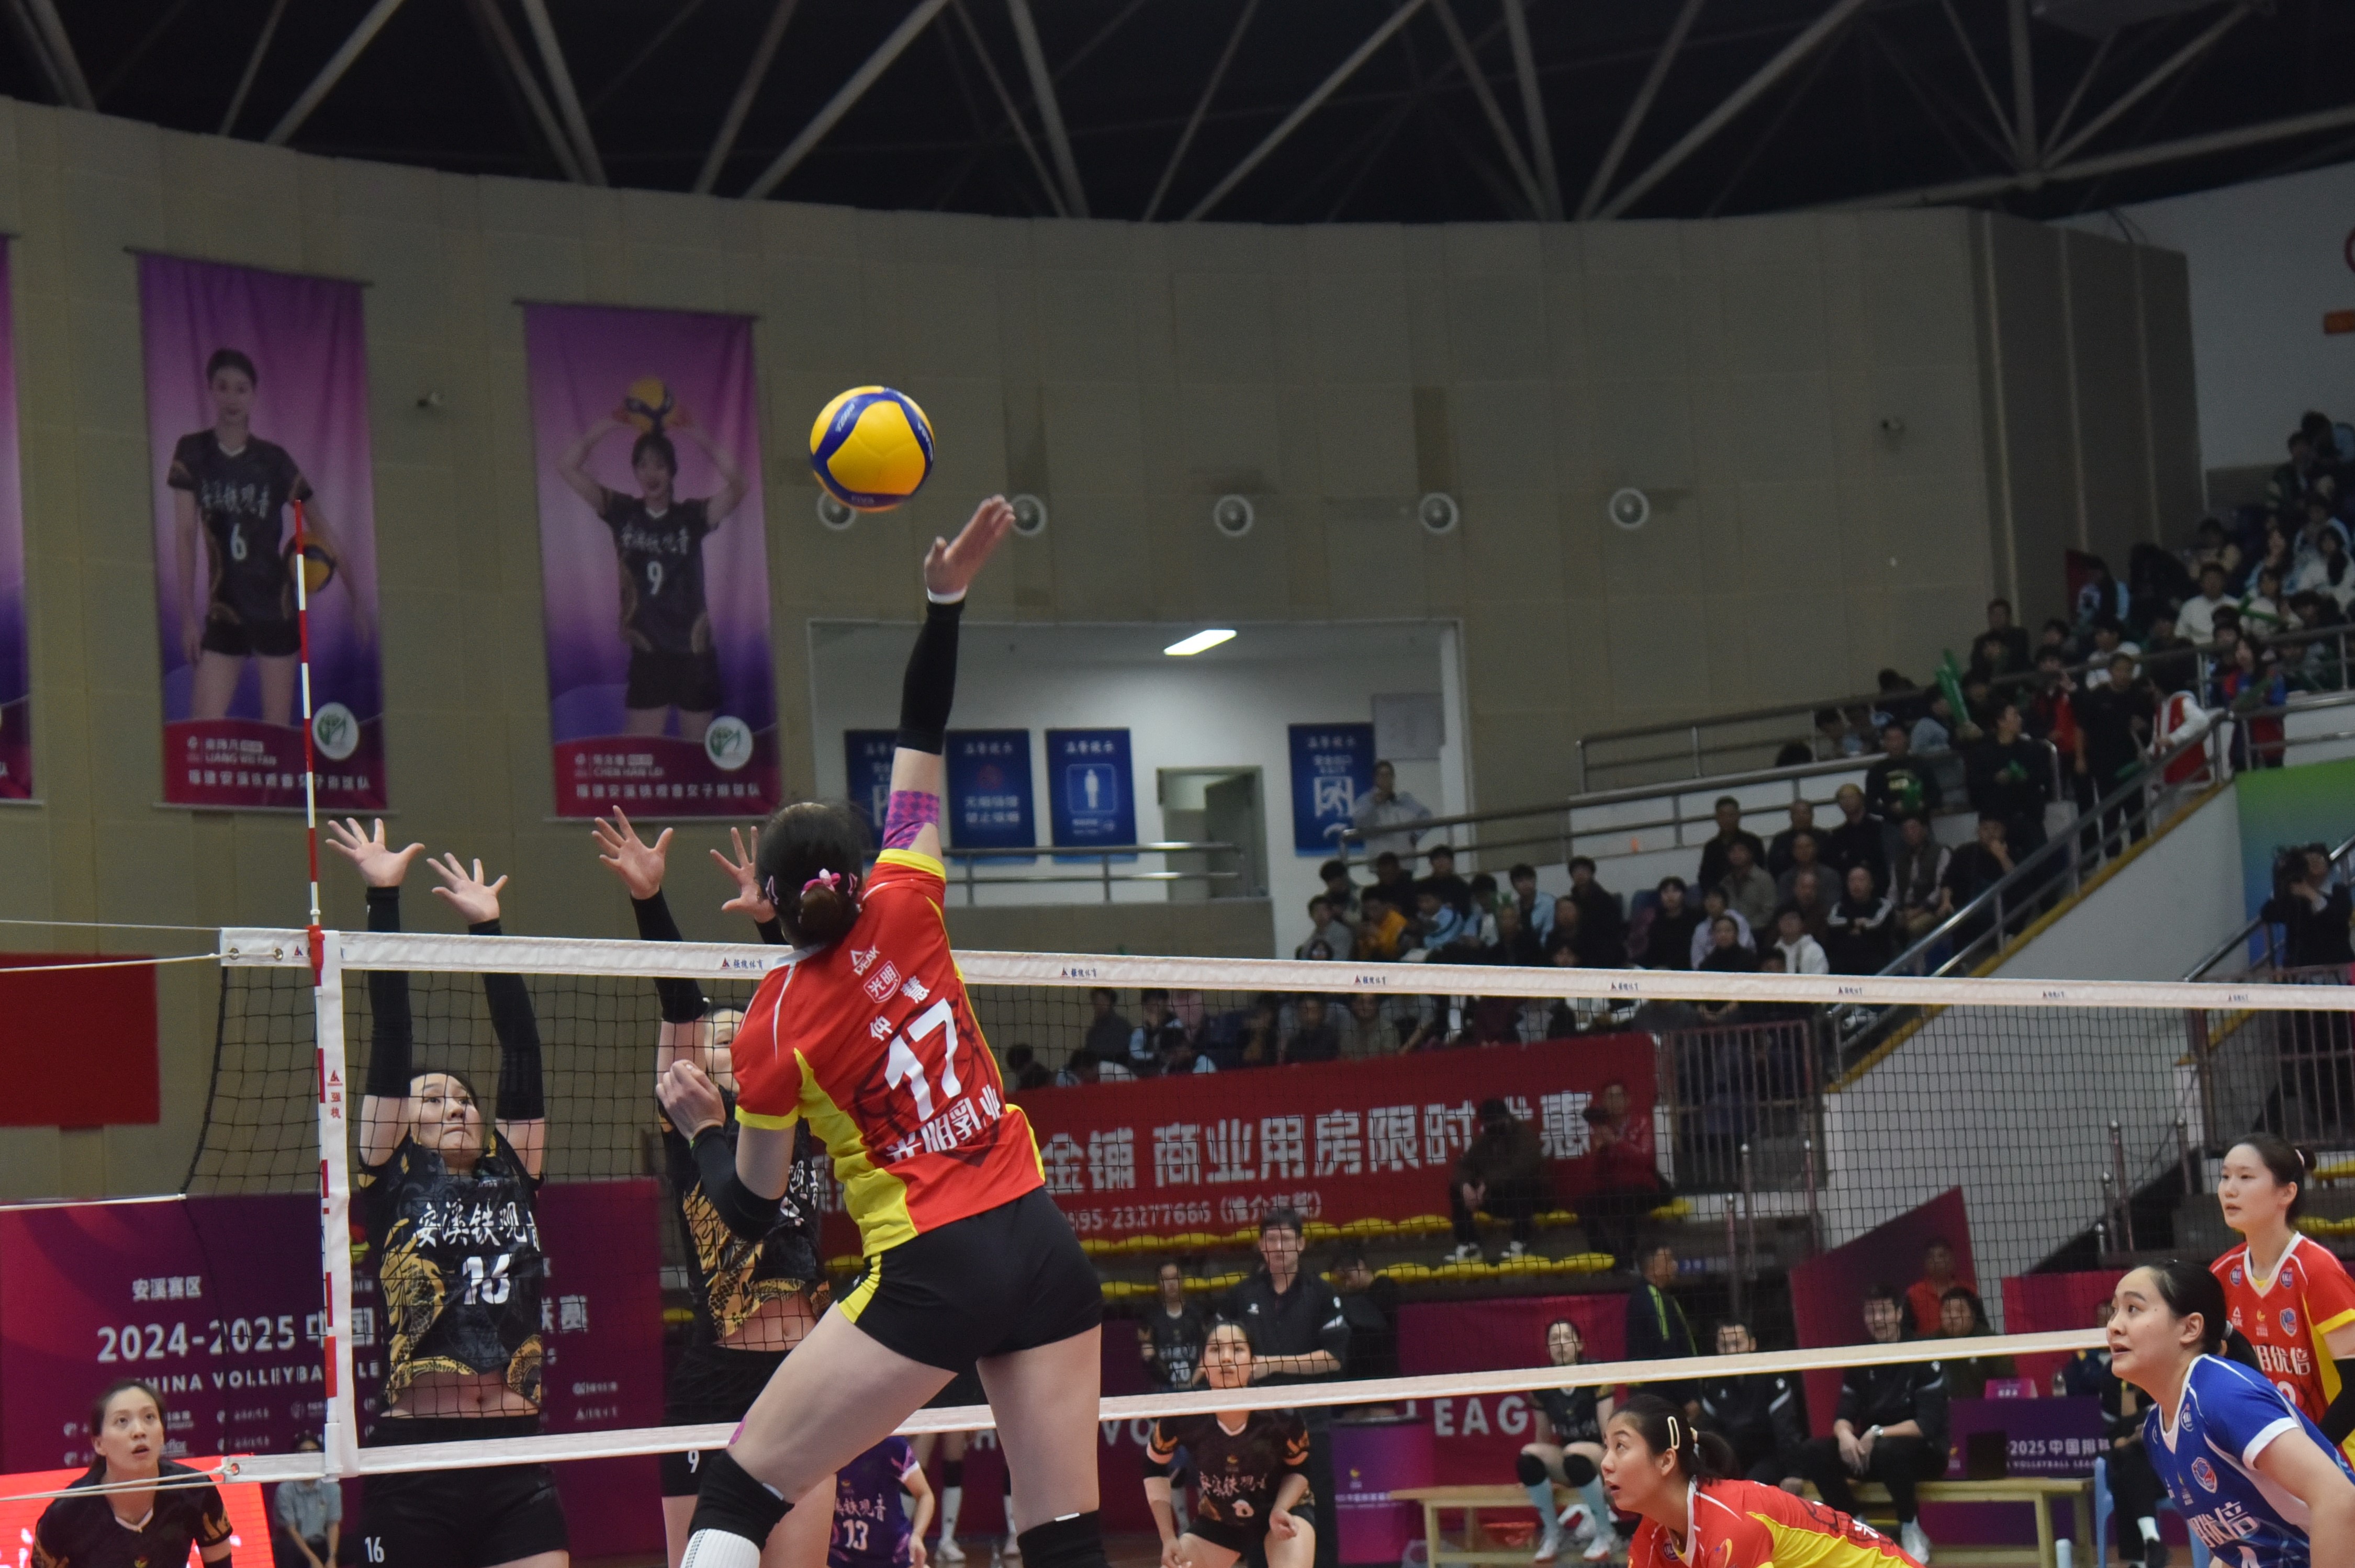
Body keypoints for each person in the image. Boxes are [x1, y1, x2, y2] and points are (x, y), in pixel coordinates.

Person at [663, 500, 1111, 1568]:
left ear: (770, 903)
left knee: (738, 1487)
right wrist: (944, 598)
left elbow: (752, 1206)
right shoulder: (909, 895)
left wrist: (702, 1127)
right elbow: (922, 731)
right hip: (1038, 1238)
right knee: (1065, 1539)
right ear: (859, 875)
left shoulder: (773, 1023)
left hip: (933, 1262)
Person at [591, 809, 835, 1568]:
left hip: (804, 1373)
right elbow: (681, 1007)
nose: (732, 1038)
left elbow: (803, 1001)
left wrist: (772, 922)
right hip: (715, 1377)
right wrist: (649, 900)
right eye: (719, 1036)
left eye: (742, 1030)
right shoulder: (687, 1122)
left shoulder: (797, 1112)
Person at [327, 818, 568, 1568]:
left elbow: (522, 1050)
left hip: (515, 1458)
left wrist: (487, 930)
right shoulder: (389, 1173)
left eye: (464, 1098)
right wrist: (384, 898)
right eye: (433, 1100)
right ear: (405, 1121)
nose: (456, 1107)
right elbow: (390, 1033)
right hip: (416, 1463)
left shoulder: (514, 1170)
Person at [2108, 1260, 2355, 1568]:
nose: (2114, 1325)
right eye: (2115, 1310)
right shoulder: (2157, 1433)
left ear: (2190, 1328)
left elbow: (2339, 1498)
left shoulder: (2222, 1395)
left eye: (2133, 1309)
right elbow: (2238, 1551)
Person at [172, 345, 365, 726]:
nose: (232, 397)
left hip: (274, 608)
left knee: (277, 732)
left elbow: (321, 527)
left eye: (241, 389)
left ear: (254, 396)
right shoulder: (193, 451)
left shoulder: (274, 460)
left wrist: (356, 597)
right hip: (225, 609)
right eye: (223, 387)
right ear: (210, 390)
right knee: (202, 728)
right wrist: (188, 618)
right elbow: (185, 533)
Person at [555, 403, 749, 741]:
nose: (651, 473)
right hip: (648, 651)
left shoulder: (691, 516)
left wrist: (697, 434)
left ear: (672, 472)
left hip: (693, 650)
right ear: (635, 471)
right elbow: (566, 466)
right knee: (641, 750)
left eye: (659, 465)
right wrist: (607, 423)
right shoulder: (622, 511)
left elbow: (740, 485)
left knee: (696, 753)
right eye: (643, 465)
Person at [1601, 1394, 1926, 1568]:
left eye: (1621, 1447)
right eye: (1606, 1448)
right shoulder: (1655, 1533)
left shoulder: (1730, 1525)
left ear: (1666, 1461)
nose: (1605, 1463)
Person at [2212, 1135, 2355, 1454]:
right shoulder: (2221, 1274)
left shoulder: (2317, 1271)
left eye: (2245, 1177)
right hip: (2269, 1463)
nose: (2229, 1189)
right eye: (2225, 1176)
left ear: (2287, 1193)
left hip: (2338, 1461)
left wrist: (2306, 1457)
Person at [1220, 1211, 1347, 1568]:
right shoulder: (1240, 1295)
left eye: (1286, 1239)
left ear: (1301, 1244)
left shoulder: (1321, 1293)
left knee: (1319, 1510)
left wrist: (1274, 1363)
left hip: (1310, 1422)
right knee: (1259, 1512)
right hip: (1258, 1427)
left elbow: (1333, 1358)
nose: (1278, 1247)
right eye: (1271, 1239)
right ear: (1261, 1245)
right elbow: (1222, 1350)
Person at [1142, 1322, 1317, 1568]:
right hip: (1221, 1519)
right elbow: (1153, 1465)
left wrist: (1281, 1508)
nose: (1226, 1358)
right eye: (1215, 1350)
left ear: (1253, 1362)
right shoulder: (1183, 1415)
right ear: (1203, 1363)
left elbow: (1300, 1468)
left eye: (1237, 1349)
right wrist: (1168, 1537)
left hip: (1283, 1510)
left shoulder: (1281, 1415)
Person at [1799, 1285, 1946, 1563]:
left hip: (1923, 1455)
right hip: (1873, 1454)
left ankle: (1911, 1528)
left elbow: (1927, 1424)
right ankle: (1859, 1528)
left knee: (1888, 1450)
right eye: (1871, 1313)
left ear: (1899, 1314)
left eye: (1884, 1312)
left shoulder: (1923, 1355)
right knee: (1813, 1451)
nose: (1878, 1319)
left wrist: (1877, 1433)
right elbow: (1844, 1413)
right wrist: (1845, 1435)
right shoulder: (1862, 1357)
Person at [35, 1379, 235, 1568]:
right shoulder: (64, 1516)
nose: (139, 1431)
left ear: (163, 1433)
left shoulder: (196, 1491)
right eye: (122, 1421)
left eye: (149, 1417)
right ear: (99, 1444)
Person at [1519, 1318, 1615, 1564]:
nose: (1561, 1344)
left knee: (1574, 1454)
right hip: (1569, 1459)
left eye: (1566, 1338)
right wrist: (1540, 1474)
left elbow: (1609, 1432)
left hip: (1599, 1455)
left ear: (1580, 1344)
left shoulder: (1596, 1372)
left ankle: (1606, 1532)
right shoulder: (1541, 1382)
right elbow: (1543, 1436)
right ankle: (1554, 1532)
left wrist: (1614, 1475)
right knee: (1527, 1457)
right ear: (1547, 1348)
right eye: (1554, 1339)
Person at [1697, 1322, 1805, 1488]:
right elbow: (1708, 1433)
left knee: (1751, 1484)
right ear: (1717, 1347)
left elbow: (1785, 1428)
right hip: (1734, 1457)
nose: (1731, 1351)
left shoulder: (1771, 1376)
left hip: (1770, 1455)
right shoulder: (1713, 1383)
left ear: (1752, 1344)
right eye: (1725, 1346)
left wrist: (1794, 1473)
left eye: (1737, 1344)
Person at [1449, 1097, 1547, 1262]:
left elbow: (1520, 1167)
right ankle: (1469, 1244)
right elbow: (1464, 1164)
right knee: (1456, 1189)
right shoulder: (1485, 1139)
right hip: (1496, 1198)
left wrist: (1487, 1184)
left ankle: (1521, 1242)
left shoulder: (1523, 1136)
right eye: (1487, 1123)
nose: (1491, 1126)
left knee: (1521, 1184)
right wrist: (1466, 1185)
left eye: (1494, 1121)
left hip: (1532, 1200)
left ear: (1505, 1117)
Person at [829, 1439, 934, 1568]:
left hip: (895, 1557)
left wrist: (917, 1535)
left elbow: (925, 1495)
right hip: (840, 1557)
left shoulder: (892, 1445)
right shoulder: (826, 1448)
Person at [1626, 1245, 1700, 1411]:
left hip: (1656, 1398)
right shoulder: (1652, 1299)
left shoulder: (1650, 1296)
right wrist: (1686, 1398)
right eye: (1669, 1260)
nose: (1675, 1265)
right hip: (1662, 1400)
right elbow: (1666, 1353)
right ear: (1654, 1267)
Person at [275, 1432, 344, 1568]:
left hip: (321, 1543)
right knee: (288, 1549)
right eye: (304, 1452)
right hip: (295, 1546)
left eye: (314, 1452)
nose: (309, 1456)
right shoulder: (285, 1489)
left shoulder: (332, 1487)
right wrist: (313, 1560)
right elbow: (291, 1530)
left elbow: (333, 1524)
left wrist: (332, 1557)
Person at [1936, 1286, 2014, 1400]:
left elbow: (2008, 1383)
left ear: (1973, 1315)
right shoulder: (1930, 1344)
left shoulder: (1992, 1343)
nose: (1953, 1316)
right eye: (1947, 1311)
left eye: (1960, 1311)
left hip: (1985, 1407)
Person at [1334, 1250, 1400, 1382]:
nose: (1347, 1284)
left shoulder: (1384, 1285)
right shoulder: (1353, 1298)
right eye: (1342, 1281)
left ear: (1360, 1265)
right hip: (1358, 1369)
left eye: (1348, 1277)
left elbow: (1375, 1318)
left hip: (1382, 1365)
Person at [1351, 762, 1432, 859]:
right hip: (1380, 859)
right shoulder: (1365, 801)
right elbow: (1359, 824)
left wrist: (1416, 835)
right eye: (1381, 775)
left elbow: (1426, 816)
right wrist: (1374, 805)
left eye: (1388, 775)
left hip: (1405, 858)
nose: (1385, 779)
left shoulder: (1404, 799)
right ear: (1375, 778)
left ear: (1393, 778)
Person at [1823, 865, 1893, 976]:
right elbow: (1832, 922)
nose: (1856, 885)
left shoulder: (1883, 905)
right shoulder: (1839, 907)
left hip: (1875, 964)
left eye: (1861, 880)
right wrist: (1854, 923)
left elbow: (1877, 925)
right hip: (1843, 966)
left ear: (1872, 884)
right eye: (1852, 881)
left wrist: (1850, 928)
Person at [1864, 725, 1942, 824]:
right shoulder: (1877, 770)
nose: (1895, 744)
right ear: (1884, 742)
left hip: (1921, 821)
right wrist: (1890, 809)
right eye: (1890, 740)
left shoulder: (1921, 764)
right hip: (1893, 823)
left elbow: (1936, 794)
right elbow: (1870, 804)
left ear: (1907, 739)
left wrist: (1923, 804)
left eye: (1898, 739)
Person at [1696, 798, 1767, 894]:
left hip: (1752, 894)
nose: (1727, 820)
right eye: (1723, 816)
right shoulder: (1711, 847)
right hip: (1720, 896)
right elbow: (1705, 877)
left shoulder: (1753, 842)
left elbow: (1761, 871)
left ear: (1739, 816)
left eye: (1731, 815)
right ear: (1717, 818)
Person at [1905, 1239, 1968, 1336]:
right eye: (1931, 1257)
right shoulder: (1914, 1294)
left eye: (1942, 1256)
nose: (1937, 1261)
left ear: (1953, 1259)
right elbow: (1907, 1332)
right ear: (1925, 1263)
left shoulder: (1968, 1290)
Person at [1718, 840, 1776, 934]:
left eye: (1741, 850)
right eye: (1732, 851)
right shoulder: (1725, 883)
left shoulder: (1764, 879)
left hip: (1759, 931)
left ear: (1750, 854)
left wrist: (1743, 927)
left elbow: (1769, 912)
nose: (1737, 855)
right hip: (1729, 934)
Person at [1642, 878, 1701, 972]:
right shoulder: (1656, 921)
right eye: (1665, 892)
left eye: (1675, 891)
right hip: (1660, 970)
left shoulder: (1695, 919)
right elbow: (1652, 952)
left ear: (1683, 895)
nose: (1670, 896)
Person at [1337, 994, 1402, 1059]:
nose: (1366, 1007)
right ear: (1354, 1005)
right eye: (1361, 1003)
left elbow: (1389, 1061)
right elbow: (1344, 1059)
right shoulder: (1348, 1030)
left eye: (1371, 1003)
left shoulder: (1388, 1030)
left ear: (1377, 1005)